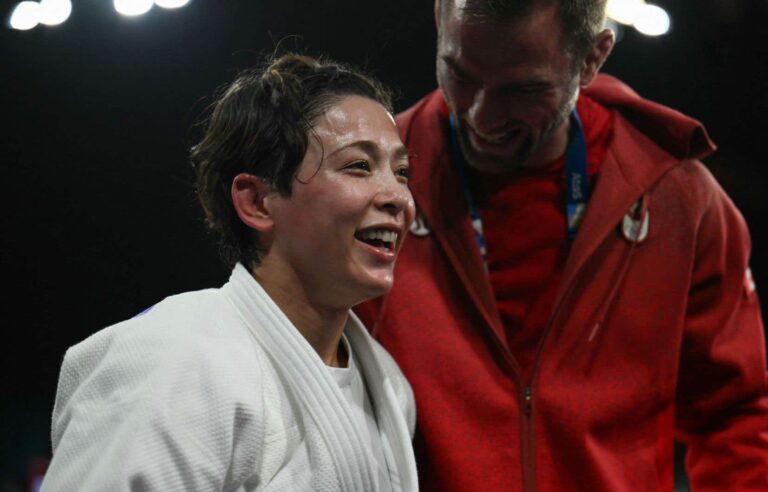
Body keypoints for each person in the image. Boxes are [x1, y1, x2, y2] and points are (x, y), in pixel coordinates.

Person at [355, 1, 768, 490]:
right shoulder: (366, 192)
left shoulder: (678, 200)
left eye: (522, 90)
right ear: (441, 16)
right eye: (460, 73)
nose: (481, 116)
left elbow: (736, 418)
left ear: (593, 57)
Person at [41, 54, 419, 492]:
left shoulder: (388, 386)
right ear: (257, 202)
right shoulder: (177, 359)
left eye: (403, 172)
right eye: (359, 166)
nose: (399, 197)